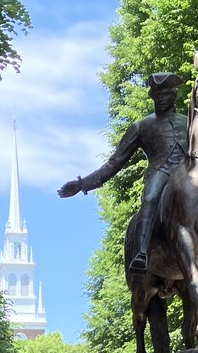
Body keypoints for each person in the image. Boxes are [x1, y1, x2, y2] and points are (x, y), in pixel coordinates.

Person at [58, 72, 188, 271]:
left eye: (165, 94)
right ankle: (142, 253)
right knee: (151, 198)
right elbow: (114, 163)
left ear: (173, 96)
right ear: (151, 96)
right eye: (156, 95)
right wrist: (82, 184)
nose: (161, 99)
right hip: (161, 171)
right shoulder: (141, 127)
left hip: (189, 171)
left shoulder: (189, 122)